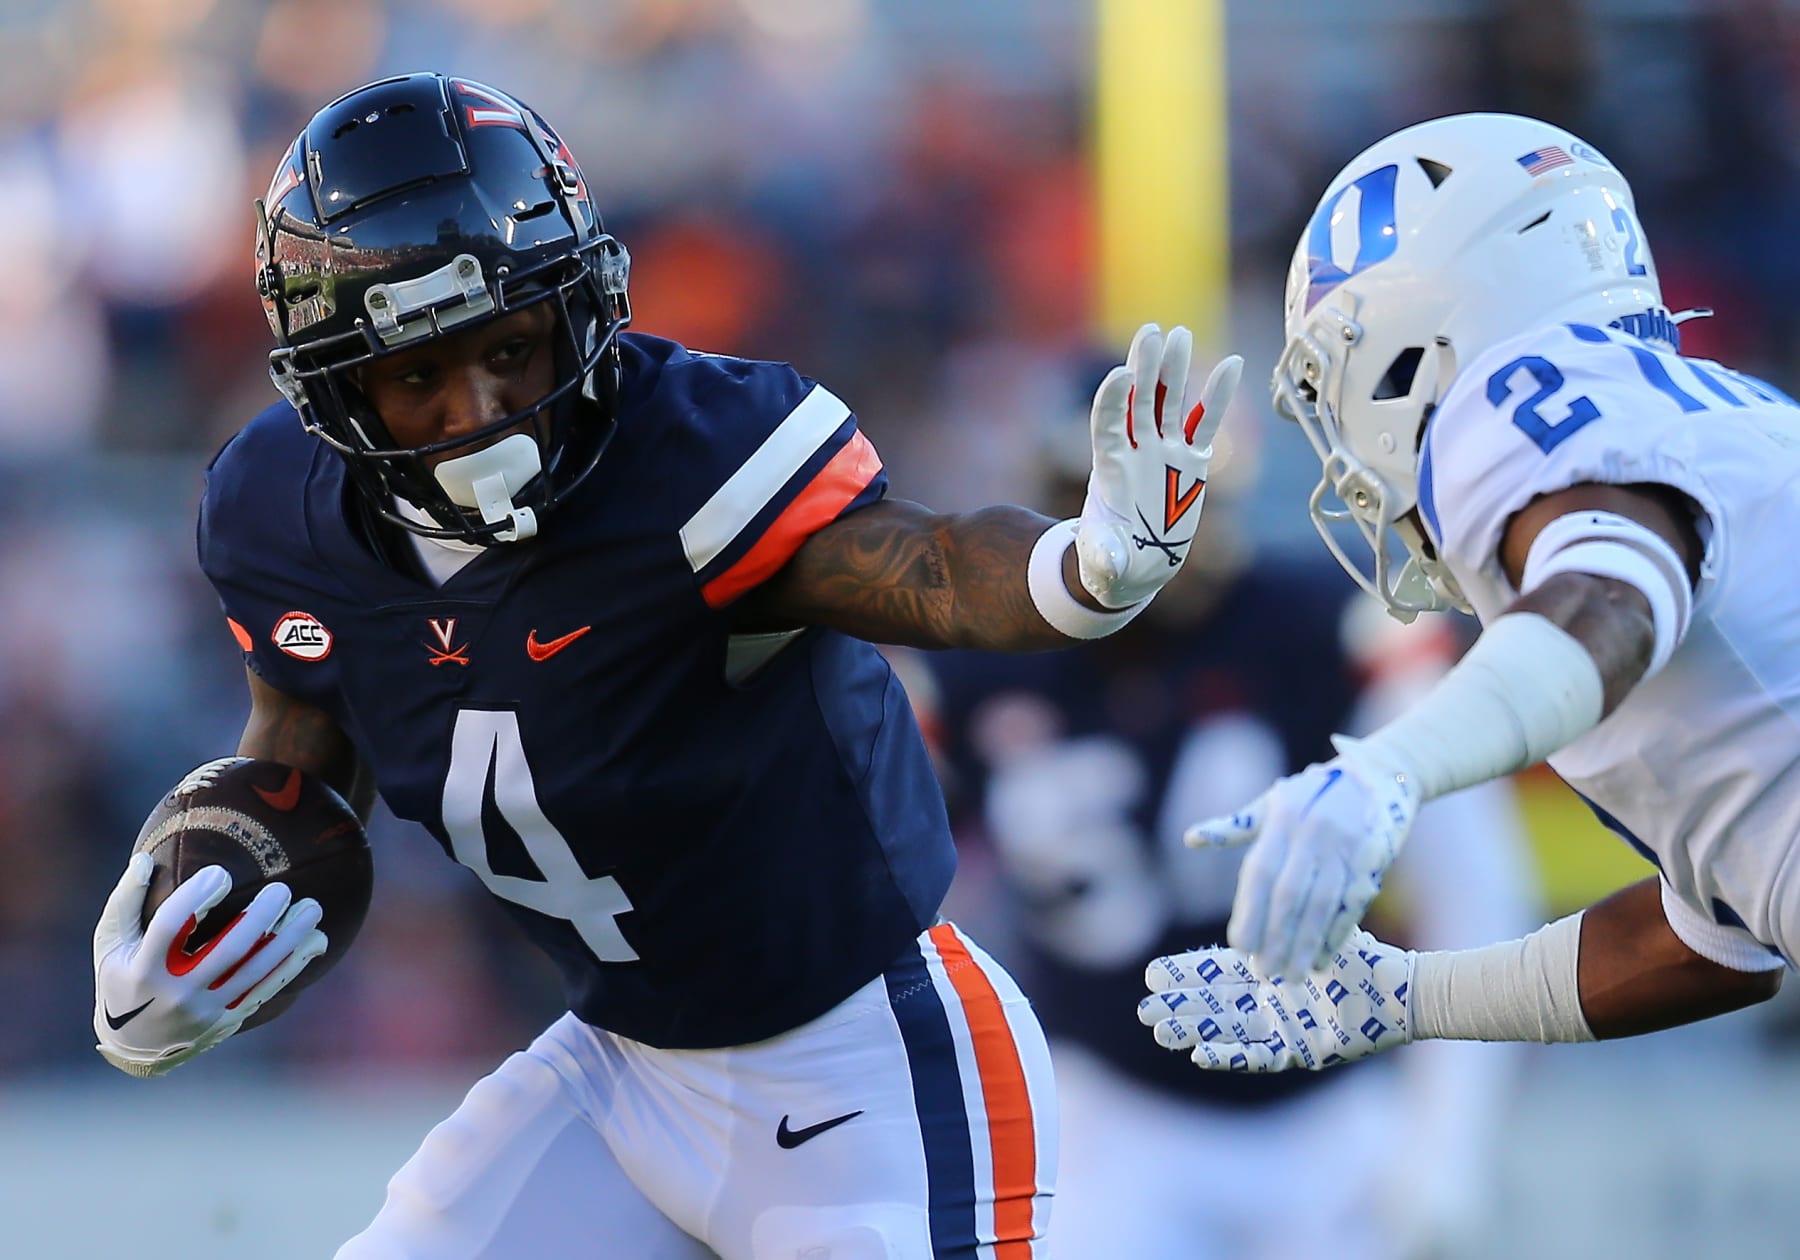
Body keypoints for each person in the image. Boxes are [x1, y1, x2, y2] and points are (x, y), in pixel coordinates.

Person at [85, 72, 1243, 1259]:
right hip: (616, 1076)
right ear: (335, 391)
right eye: (417, 377)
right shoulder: (281, 516)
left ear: (579, 310)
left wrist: (1085, 571)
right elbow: (302, 763)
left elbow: (930, 563)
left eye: (512, 349)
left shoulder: (692, 462)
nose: (478, 411)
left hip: (867, 1063)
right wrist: (184, 939)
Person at [1138, 112, 1793, 1077]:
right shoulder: (1727, 412)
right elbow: (1720, 934)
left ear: (1418, 339)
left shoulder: (1505, 397)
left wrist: (1391, 768)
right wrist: (1408, 998)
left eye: (1337, 379)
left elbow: (1611, 589)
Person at [919, 379, 1537, 1259]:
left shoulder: (1325, 632)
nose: (1157, 527)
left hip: (1328, 1109)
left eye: (1182, 491)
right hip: (1112, 1110)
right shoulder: (985, 670)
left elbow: (1471, 884)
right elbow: (868, 897)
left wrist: (1450, 1133)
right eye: (1113, 494)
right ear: (1058, 505)